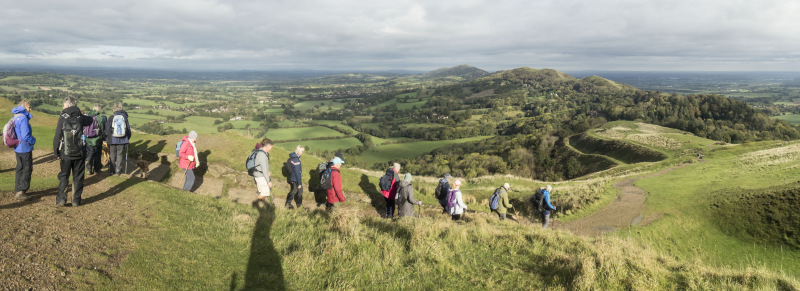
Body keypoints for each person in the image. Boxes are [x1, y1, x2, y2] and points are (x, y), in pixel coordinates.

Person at [52, 96, 93, 206]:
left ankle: (61, 199)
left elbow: (58, 135)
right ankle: (75, 200)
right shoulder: (80, 116)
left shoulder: (63, 116)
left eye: (64, 105)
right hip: (79, 152)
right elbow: (90, 121)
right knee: (78, 177)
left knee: (64, 176)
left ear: (68, 105)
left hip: (65, 153)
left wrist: (56, 152)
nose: (63, 107)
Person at [11, 100, 36, 200]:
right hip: (25, 147)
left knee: (20, 168)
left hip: (17, 147)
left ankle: (17, 189)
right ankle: (21, 191)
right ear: (24, 107)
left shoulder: (15, 116)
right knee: (27, 168)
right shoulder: (24, 118)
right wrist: (33, 140)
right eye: (29, 107)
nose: (30, 109)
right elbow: (25, 135)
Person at [105, 103, 131, 176]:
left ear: (114, 109)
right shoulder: (125, 117)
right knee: (119, 155)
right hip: (122, 139)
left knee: (112, 154)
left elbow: (107, 129)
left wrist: (107, 137)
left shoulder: (111, 117)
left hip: (112, 139)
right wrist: (127, 138)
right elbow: (128, 129)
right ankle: (118, 171)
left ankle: (111, 170)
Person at [84, 104, 107, 175]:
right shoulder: (100, 118)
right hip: (97, 139)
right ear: (99, 110)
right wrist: (103, 137)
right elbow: (103, 129)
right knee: (97, 154)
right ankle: (97, 169)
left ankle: (89, 168)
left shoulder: (87, 116)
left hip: (88, 139)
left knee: (90, 154)